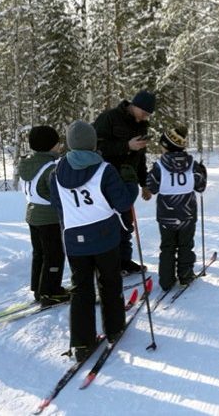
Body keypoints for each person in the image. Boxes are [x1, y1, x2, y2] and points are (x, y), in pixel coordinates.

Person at [49, 120, 133, 361]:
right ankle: (114, 327)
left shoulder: (56, 173)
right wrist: (129, 184)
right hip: (105, 237)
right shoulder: (105, 169)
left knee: (81, 289)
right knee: (109, 281)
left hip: (75, 240)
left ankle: (81, 342)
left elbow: (58, 205)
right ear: (93, 143)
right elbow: (123, 203)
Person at [92, 90, 155, 275]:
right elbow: (96, 148)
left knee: (126, 223)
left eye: (149, 114)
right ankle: (108, 265)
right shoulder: (109, 118)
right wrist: (126, 146)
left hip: (129, 181)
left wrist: (144, 183)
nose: (146, 117)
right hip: (107, 181)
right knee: (108, 223)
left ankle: (124, 262)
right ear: (135, 105)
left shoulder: (142, 126)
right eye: (144, 112)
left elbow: (140, 158)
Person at [145, 125, 207, 291]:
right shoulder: (191, 164)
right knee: (186, 245)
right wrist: (203, 172)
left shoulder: (159, 165)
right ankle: (185, 276)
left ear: (167, 145)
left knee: (167, 247)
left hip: (166, 215)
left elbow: (151, 187)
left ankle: (166, 280)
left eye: (162, 145)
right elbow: (200, 187)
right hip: (187, 215)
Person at [18, 126, 69, 306]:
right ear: (50, 146)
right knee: (54, 255)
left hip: (32, 215)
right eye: (57, 143)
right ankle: (50, 291)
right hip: (49, 219)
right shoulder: (51, 168)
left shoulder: (27, 164)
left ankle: (39, 289)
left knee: (39, 253)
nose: (59, 146)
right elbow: (55, 195)